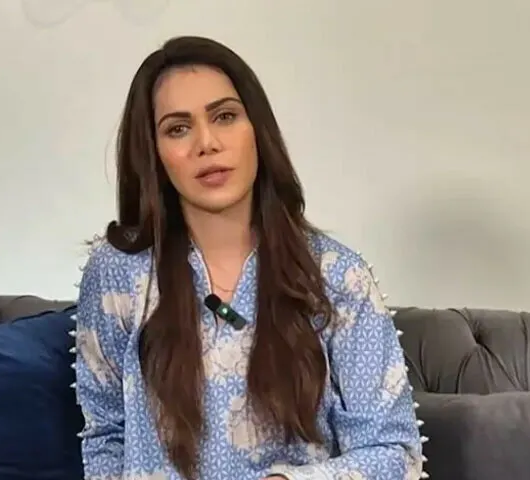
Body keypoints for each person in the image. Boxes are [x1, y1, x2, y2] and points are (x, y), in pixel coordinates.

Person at [74, 35, 425, 480]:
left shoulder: (337, 276)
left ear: (257, 130)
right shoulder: (118, 271)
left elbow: (395, 454)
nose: (206, 143)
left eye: (224, 116)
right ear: (154, 153)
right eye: (178, 128)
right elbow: (105, 436)